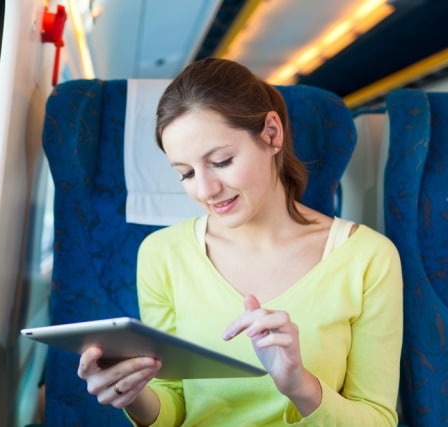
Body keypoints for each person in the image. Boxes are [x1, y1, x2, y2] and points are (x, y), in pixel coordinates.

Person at [77, 57, 403, 426]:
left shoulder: (367, 258)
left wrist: (301, 386)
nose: (205, 190)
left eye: (221, 161)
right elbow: (174, 403)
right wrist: (133, 397)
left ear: (272, 133)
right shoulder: (161, 254)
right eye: (185, 173)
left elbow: (377, 419)